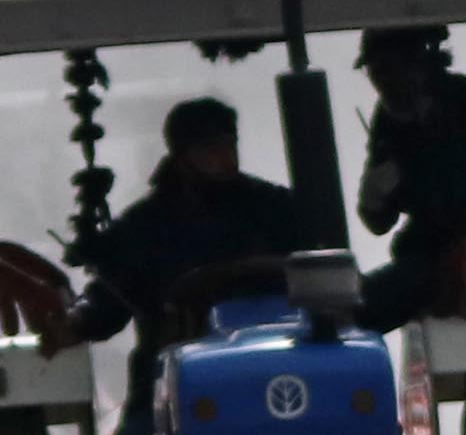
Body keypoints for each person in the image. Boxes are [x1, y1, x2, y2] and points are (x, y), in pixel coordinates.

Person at [70, 97, 317, 350]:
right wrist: (78, 318)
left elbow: (318, 273)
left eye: (231, 145)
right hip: (183, 356)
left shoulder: (275, 206)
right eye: (212, 150)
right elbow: (110, 301)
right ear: (182, 157)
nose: (228, 158)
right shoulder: (146, 224)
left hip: (280, 343)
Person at [354, 25, 466, 330]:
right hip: (424, 258)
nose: (383, 85)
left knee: (358, 309)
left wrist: (412, 164)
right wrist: (374, 198)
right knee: (342, 304)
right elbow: (378, 223)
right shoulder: (390, 119)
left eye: (389, 70)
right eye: (374, 74)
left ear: (419, 64)